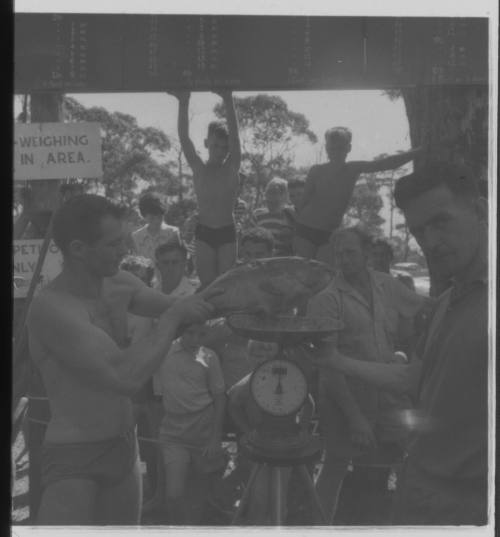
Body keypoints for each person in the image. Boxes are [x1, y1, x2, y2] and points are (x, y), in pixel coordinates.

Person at [309, 162, 489, 525]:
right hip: (420, 496)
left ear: (481, 211)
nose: (430, 242)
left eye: (441, 221)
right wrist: (334, 361)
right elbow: (411, 378)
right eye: (419, 230)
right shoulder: (447, 304)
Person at [26, 194, 219, 525]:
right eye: (113, 244)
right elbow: (122, 376)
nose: (124, 251)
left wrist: (254, 294)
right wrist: (173, 318)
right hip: (76, 456)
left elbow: (191, 308)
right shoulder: (52, 308)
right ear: (77, 249)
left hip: (124, 447)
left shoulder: (118, 283)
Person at [307, 226, 425, 524]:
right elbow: (328, 365)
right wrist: (355, 417)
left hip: (386, 393)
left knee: (406, 457)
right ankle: (317, 527)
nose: (344, 260)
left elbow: (423, 311)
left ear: (367, 254)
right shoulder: (326, 299)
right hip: (342, 396)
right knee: (335, 466)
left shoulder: (387, 285)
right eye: (339, 254)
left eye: (350, 253)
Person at [294, 127, 423, 261]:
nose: (335, 152)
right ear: (326, 148)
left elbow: (384, 164)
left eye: (340, 148)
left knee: (325, 272)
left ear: (348, 148)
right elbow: (304, 201)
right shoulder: (316, 171)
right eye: (332, 148)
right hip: (306, 229)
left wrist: (417, 153)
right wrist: (296, 227)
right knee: (305, 271)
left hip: (329, 233)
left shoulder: (352, 168)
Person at [227, 340, 314, 524]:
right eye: (256, 356)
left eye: (267, 356)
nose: (261, 360)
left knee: (279, 499)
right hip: (258, 447)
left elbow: (308, 403)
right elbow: (233, 404)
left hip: (285, 445)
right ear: (247, 357)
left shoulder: (291, 379)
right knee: (258, 499)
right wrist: (247, 431)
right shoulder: (246, 385)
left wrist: (302, 429)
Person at [157, 322, 226, 524]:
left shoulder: (210, 357)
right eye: (190, 333)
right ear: (180, 331)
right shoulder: (163, 352)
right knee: (174, 494)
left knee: (198, 494)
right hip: (173, 432)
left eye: (201, 334)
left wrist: (215, 439)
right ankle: (177, 527)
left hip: (203, 428)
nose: (196, 339)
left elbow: (220, 398)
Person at [171, 89, 241, 287]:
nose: (220, 151)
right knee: (207, 284)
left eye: (224, 148)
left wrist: (228, 99)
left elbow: (236, 140)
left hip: (227, 231)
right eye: (215, 146)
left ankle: (224, 319)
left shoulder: (231, 168)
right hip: (204, 233)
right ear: (206, 143)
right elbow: (184, 138)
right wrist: (183, 102)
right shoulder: (199, 169)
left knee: (225, 284)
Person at [131, 192, 181, 263]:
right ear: (144, 216)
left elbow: (179, 261)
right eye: (152, 217)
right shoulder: (136, 237)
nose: (156, 220)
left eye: (159, 216)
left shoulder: (173, 233)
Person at [252, 178, 295, 256]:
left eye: (275, 192)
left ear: (285, 196)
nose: (271, 196)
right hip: (260, 258)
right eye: (269, 192)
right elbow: (250, 237)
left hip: (282, 259)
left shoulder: (290, 214)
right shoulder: (258, 214)